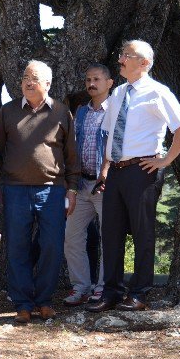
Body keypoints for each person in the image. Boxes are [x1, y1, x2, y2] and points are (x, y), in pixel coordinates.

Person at [86, 40, 180, 313]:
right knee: (110, 234)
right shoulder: (118, 93)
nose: (120, 59)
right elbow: (110, 136)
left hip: (142, 172)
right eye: (121, 54)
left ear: (144, 63)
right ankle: (111, 293)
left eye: (127, 56)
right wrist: (105, 172)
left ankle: (140, 293)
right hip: (116, 173)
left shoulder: (158, 92)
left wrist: (165, 160)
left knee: (143, 234)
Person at [0, 60, 80, 324]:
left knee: (51, 247)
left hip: (52, 191)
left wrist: (73, 189)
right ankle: (22, 304)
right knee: (18, 248)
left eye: (35, 78)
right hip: (15, 190)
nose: (29, 82)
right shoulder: (7, 112)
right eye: (25, 78)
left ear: (48, 84)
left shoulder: (62, 112)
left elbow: (71, 156)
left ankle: (43, 301)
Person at [63, 63, 113, 306]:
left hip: (105, 186)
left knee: (108, 239)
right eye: (88, 80)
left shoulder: (116, 110)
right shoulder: (81, 111)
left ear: (109, 83)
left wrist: (107, 170)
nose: (91, 84)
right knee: (71, 237)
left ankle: (103, 288)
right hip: (81, 184)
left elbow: (118, 145)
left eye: (97, 79)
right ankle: (81, 286)